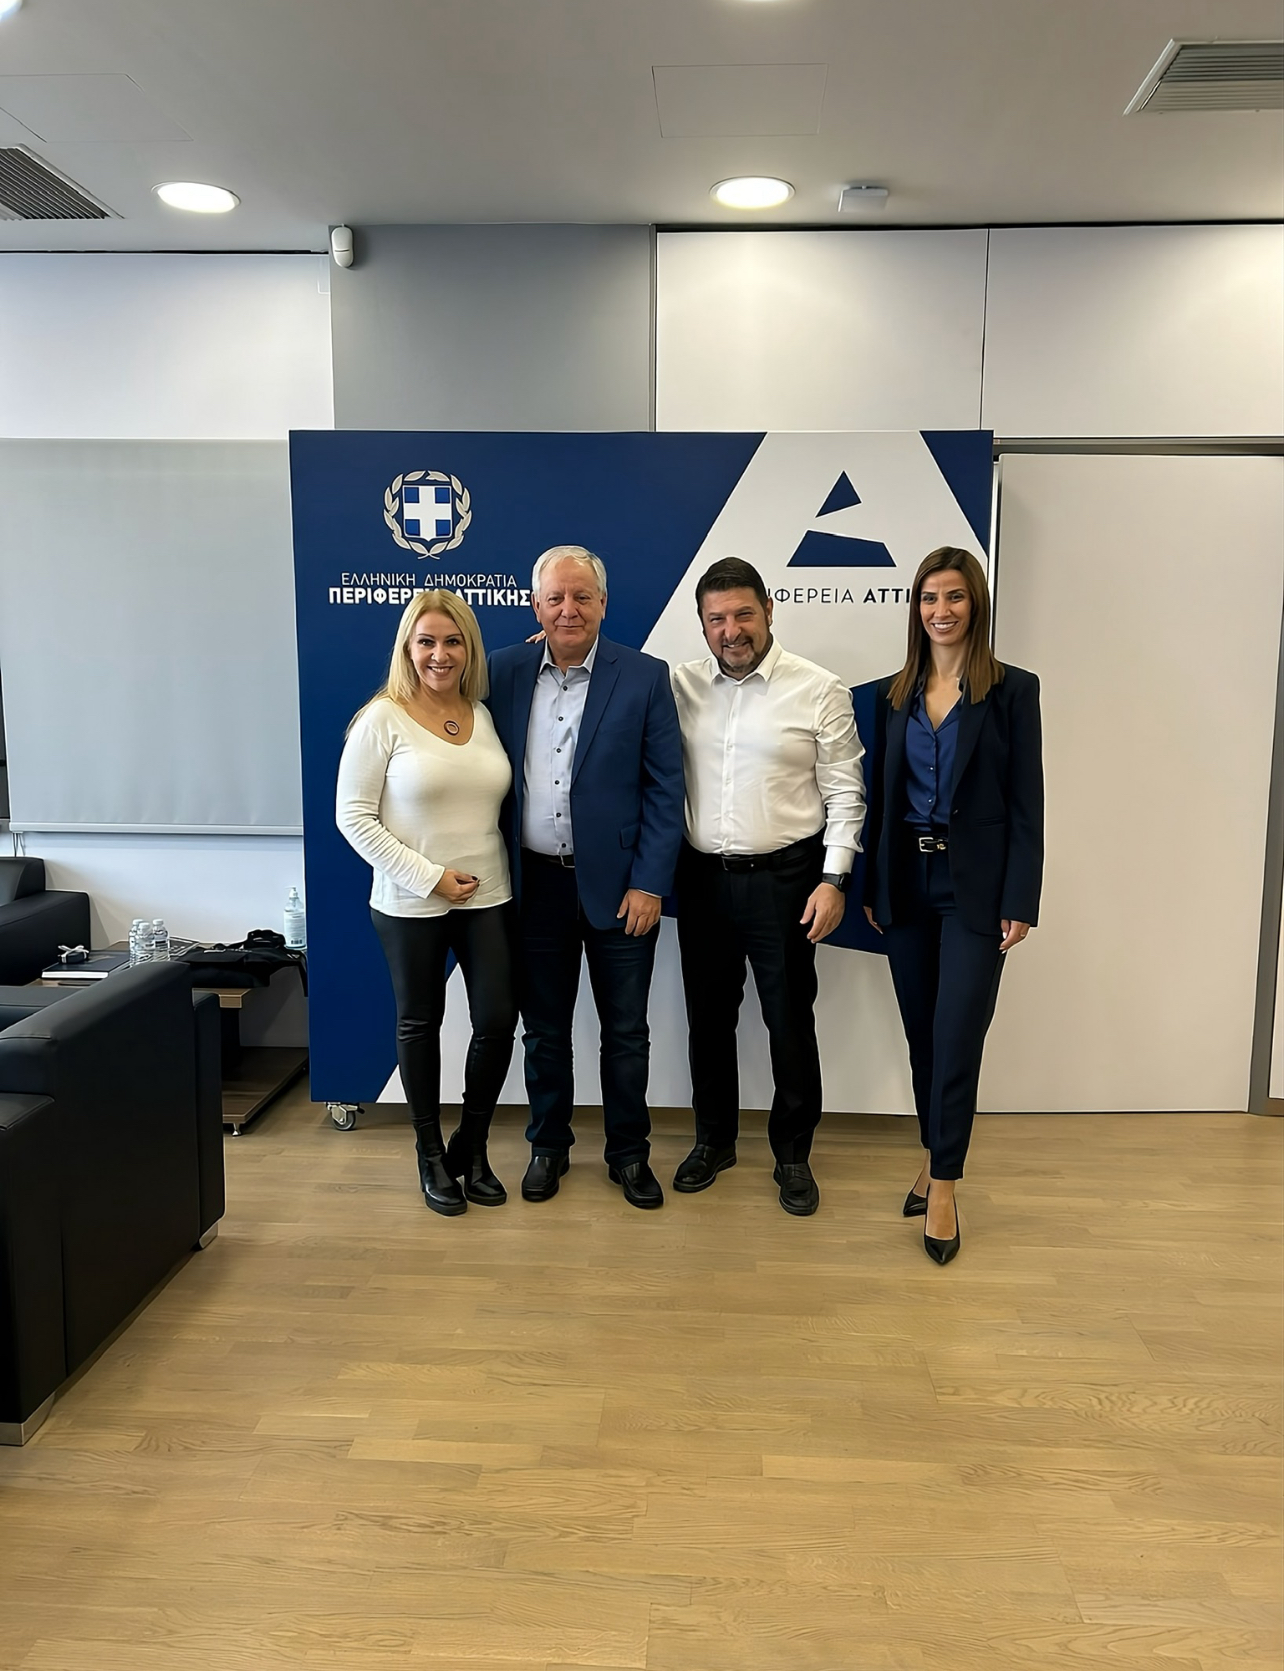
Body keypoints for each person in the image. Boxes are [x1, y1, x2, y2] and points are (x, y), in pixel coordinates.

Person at [486, 545, 685, 1209]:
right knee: (544, 1031)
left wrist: (650, 882)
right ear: (535, 605)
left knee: (625, 1032)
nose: (568, 609)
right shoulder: (503, 671)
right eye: (555, 598)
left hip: (622, 888)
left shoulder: (644, 676)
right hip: (533, 886)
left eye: (581, 597)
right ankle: (548, 1146)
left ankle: (629, 1153)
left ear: (603, 603)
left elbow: (666, 788)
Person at [863, 546, 1044, 1264]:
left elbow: (1027, 803)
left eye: (955, 597)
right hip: (906, 883)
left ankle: (944, 1186)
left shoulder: (1013, 690)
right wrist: (874, 886)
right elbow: (880, 801)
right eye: (929, 598)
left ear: (976, 605)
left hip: (977, 890)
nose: (941, 611)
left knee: (959, 1034)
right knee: (923, 1037)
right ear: (916, 608)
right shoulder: (892, 694)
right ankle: (933, 1152)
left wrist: (1021, 896)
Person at [672, 557, 866, 1216]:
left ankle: (793, 1154)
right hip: (702, 881)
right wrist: (553, 642)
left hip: (787, 881)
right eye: (716, 619)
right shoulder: (679, 687)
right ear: (702, 624)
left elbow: (845, 793)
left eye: (743, 614)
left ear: (769, 609)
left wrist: (834, 878)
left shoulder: (818, 688)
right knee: (707, 1021)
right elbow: (609, 692)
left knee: (788, 1021)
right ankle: (713, 1141)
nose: (731, 630)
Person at [336, 589, 518, 1216]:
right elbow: (353, 818)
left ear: (469, 649)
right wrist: (429, 876)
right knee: (420, 1024)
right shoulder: (380, 719)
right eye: (427, 642)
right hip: (410, 901)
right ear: (408, 649)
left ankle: (472, 1146)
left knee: (497, 1020)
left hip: (488, 894)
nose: (440, 654)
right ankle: (430, 1153)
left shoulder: (482, 714)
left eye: (453, 641)